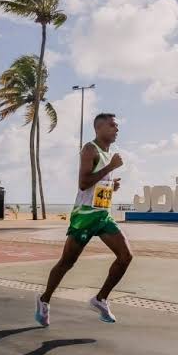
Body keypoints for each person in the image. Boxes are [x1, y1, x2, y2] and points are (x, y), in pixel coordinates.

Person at [35, 113, 132, 326]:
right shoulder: (90, 149)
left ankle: (100, 298)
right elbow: (83, 183)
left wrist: (110, 184)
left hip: (103, 215)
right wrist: (110, 168)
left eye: (117, 126)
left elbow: (96, 184)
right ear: (99, 128)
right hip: (85, 216)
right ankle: (44, 300)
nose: (117, 129)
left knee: (126, 256)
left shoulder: (108, 153)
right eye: (113, 125)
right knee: (67, 263)